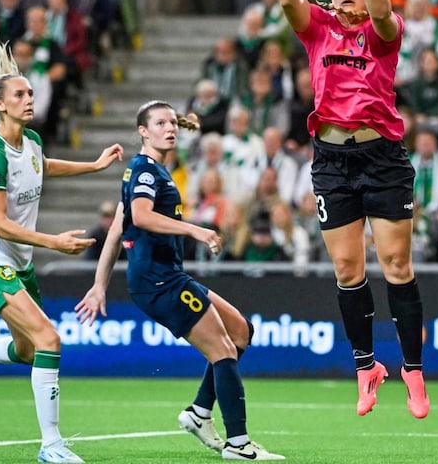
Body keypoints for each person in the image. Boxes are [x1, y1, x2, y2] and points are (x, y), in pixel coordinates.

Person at [275, 0, 430, 418]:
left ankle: (412, 369)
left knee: (397, 266)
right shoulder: (317, 27)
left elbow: (384, 15)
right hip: (332, 160)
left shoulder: (385, 32)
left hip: (382, 158)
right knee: (346, 268)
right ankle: (366, 367)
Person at [74, 100, 285, 461]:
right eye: (159, 123)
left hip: (167, 275)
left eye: (172, 122)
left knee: (240, 332)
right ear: (143, 131)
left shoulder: (149, 171)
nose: (169, 128)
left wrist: (99, 284)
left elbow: (116, 230)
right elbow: (139, 217)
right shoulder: (144, 172)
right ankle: (238, 444)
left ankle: (200, 413)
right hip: (158, 281)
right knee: (222, 350)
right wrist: (196, 231)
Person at [0, 40, 124, 464]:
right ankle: (51, 445)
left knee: (28, 350)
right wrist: (54, 242)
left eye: (30, 93)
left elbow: (43, 164)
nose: (30, 99)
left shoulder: (30, 140)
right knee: (49, 338)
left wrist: (94, 165)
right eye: (21, 95)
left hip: (18, 264)